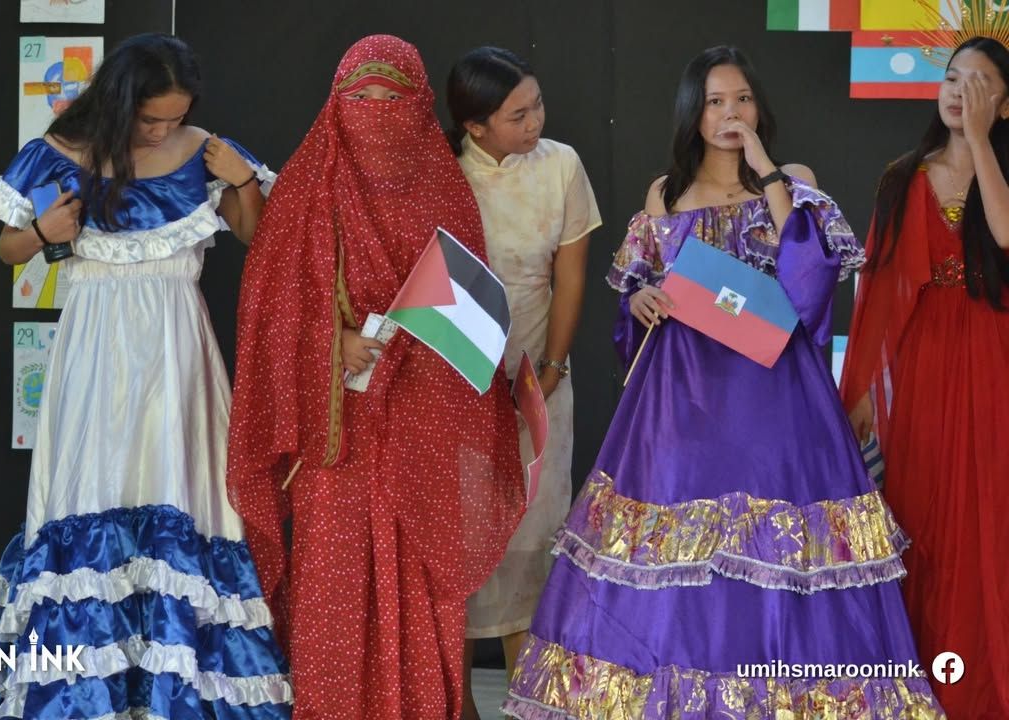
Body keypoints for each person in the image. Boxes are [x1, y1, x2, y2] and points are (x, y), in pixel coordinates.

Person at [502, 46, 945, 719]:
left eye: (741, 99)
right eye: (714, 101)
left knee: (774, 542)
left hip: (776, 395)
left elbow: (812, 279)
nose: (729, 112)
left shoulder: (790, 179)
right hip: (682, 400)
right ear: (693, 113)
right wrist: (642, 299)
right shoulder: (665, 194)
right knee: (686, 549)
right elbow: (637, 296)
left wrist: (766, 168)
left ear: (759, 108)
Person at [0, 33, 292, 720]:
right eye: (150, 119)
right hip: (94, 354)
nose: (164, 130)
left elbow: (259, 238)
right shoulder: (60, 151)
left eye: (174, 116)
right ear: (119, 101)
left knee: (179, 488)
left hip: (178, 353)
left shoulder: (206, 151)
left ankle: (176, 690)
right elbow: (4, 247)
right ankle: (87, 693)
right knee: (92, 489)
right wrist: (47, 232)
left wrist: (240, 181)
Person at [227, 35, 525, 720]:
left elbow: (471, 316)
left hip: (425, 416)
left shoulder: (446, 191)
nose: (377, 113)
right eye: (361, 100)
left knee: (421, 579)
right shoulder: (308, 188)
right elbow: (267, 313)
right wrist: (330, 343)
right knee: (335, 579)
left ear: (420, 106)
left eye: (393, 100)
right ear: (337, 106)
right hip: (337, 425)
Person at [840, 35, 1009, 718]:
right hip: (927, 373)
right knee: (926, 523)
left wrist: (980, 143)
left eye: (979, 81)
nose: (959, 89)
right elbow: (876, 296)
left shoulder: (999, 175)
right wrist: (860, 397)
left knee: (991, 520)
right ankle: (928, 686)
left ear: (1003, 102)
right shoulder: (901, 178)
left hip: (996, 360)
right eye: (952, 76)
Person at [444, 46, 600, 720]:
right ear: (475, 127)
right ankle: (457, 702)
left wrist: (554, 364)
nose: (535, 121)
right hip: (459, 388)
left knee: (535, 537)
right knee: (466, 539)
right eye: (517, 115)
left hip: (540, 380)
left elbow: (570, 274)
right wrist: (474, 380)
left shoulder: (561, 165)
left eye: (536, 104)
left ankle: (529, 700)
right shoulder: (445, 178)